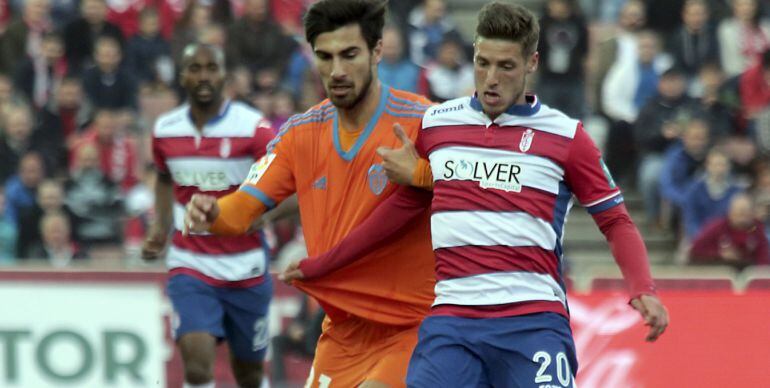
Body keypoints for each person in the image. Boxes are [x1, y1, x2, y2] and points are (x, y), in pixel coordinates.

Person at [279, 3, 669, 386]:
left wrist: (642, 288)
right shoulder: (437, 123)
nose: (491, 78)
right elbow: (402, 207)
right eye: (482, 63)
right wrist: (325, 263)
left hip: (532, 320)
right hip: (453, 322)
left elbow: (615, 219)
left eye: (506, 66)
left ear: (532, 63)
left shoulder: (567, 136)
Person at [184, 1, 436, 386]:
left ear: (377, 51)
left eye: (349, 55)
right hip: (340, 331)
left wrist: (422, 172)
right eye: (325, 56)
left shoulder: (424, 121)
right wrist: (212, 213)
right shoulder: (301, 134)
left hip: (413, 328)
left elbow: (474, 184)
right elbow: (243, 208)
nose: (336, 71)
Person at [141, 44, 275, 388]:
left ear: (224, 74)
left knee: (249, 375)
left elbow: (282, 183)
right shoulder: (165, 130)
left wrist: (259, 215)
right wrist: (160, 225)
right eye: (194, 68)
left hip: (246, 265)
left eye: (211, 68)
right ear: (181, 76)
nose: (203, 76)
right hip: (191, 263)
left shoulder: (253, 128)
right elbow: (164, 176)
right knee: (198, 368)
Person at [689, 193, 770, 267]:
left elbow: (764, 258)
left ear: (752, 214)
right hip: (720, 271)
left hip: (748, 271)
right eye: (738, 214)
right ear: (730, 213)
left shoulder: (756, 229)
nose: (742, 219)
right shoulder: (717, 227)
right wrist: (719, 254)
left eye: (745, 213)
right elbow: (695, 249)